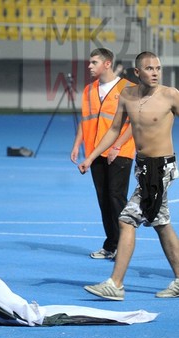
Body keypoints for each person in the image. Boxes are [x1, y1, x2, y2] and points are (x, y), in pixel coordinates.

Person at [79, 51, 179, 300]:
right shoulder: (128, 95)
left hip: (160, 168)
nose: (155, 73)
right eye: (149, 69)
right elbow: (114, 130)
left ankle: (115, 283)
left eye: (158, 68)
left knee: (126, 219)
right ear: (137, 72)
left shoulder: (170, 95)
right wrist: (91, 157)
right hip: (143, 167)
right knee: (161, 224)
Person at [71, 48, 135, 260]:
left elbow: (133, 123)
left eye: (94, 62)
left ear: (107, 64)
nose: (89, 66)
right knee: (104, 200)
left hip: (121, 151)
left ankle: (122, 246)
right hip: (94, 151)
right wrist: (77, 143)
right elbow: (86, 119)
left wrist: (117, 146)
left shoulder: (128, 88)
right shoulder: (89, 90)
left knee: (116, 198)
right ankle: (111, 244)